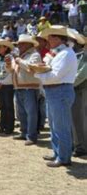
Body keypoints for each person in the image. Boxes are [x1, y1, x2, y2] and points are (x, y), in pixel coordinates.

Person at [35, 26, 78, 167]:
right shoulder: (60, 53)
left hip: (59, 90)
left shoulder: (65, 54)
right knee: (55, 125)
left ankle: (64, 157)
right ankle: (58, 153)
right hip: (56, 91)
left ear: (58, 39)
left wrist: (38, 73)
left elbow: (54, 76)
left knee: (61, 126)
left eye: (50, 38)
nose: (48, 41)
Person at [7, 34, 41, 145]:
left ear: (28, 44)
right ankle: (24, 132)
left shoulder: (34, 55)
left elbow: (31, 67)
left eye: (21, 44)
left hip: (29, 87)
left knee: (31, 113)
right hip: (20, 87)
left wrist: (18, 61)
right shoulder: (21, 56)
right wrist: (8, 64)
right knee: (21, 112)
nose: (19, 46)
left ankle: (31, 136)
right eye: (19, 44)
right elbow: (11, 70)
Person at [0, 39, 15, 134]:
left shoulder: (11, 58)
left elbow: (11, 70)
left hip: (8, 85)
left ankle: (9, 127)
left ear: (6, 48)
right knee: (2, 106)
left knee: (9, 106)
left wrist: (2, 81)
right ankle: (2, 125)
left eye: (0, 46)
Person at [72, 35, 87, 157]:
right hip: (78, 89)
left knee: (80, 118)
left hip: (81, 89)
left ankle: (82, 147)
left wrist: (69, 84)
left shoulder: (84, 56)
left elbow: (81, 75)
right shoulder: (79, 55)